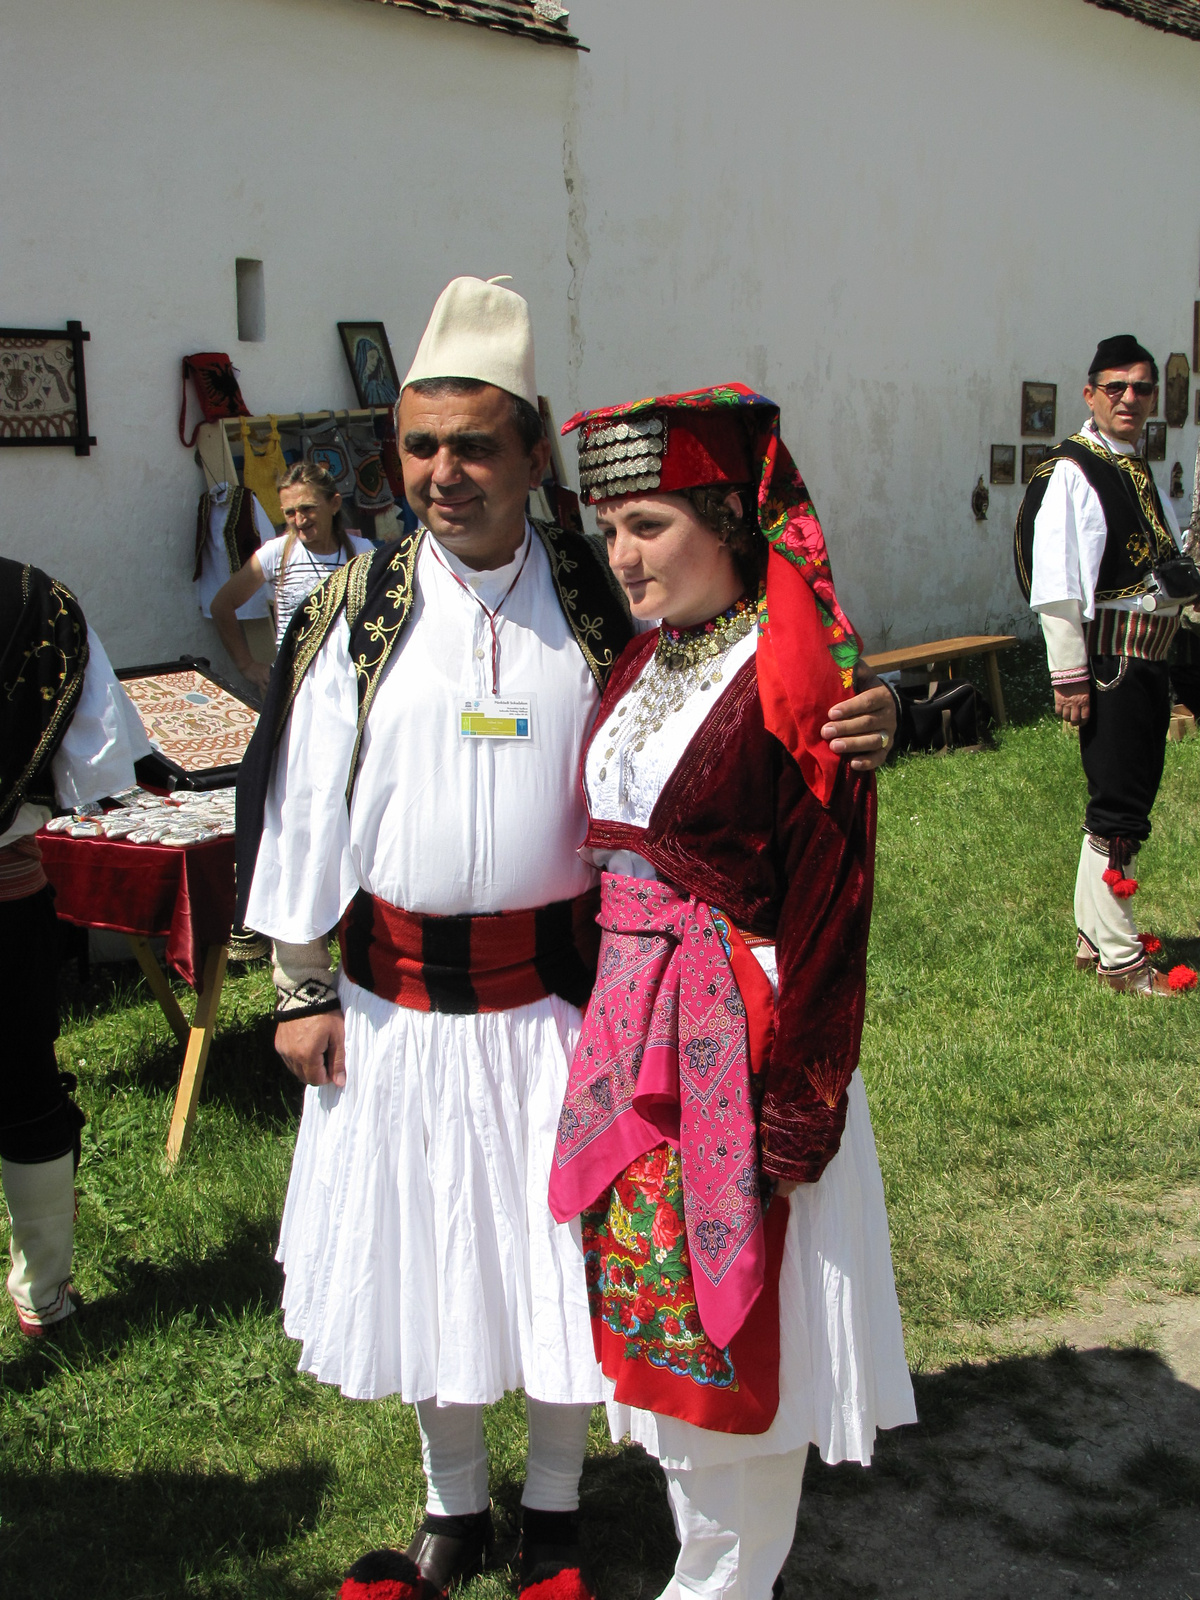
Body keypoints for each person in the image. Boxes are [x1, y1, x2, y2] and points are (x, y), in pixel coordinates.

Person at [234, 279, 898, 1600]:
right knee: (427, 1256)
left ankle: (552, 1510)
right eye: (420, 447)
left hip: (567, 1000)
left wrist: (864, 699)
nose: (443, 473)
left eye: (475, 444)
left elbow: (754, 662)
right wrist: (299, 978)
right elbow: (304, 793)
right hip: (393, 1001)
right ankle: (449, 1506)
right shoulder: (354, 612)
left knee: (546, 1267)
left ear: (533, 451)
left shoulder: (606, 602)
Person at [546, 385, 916, 1600]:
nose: (624, 554)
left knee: (737, 1336)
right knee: (662, 1316)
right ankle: (703, 1566)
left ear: (729, 521)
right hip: (633, 1030)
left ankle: (726, 1584)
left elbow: (832, 898)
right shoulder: (650, 658)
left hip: (739, 1045)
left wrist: (798, 1097)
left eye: (648, 523)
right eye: (611, 529)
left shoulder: (799, 672)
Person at [1015, 334, 1199, 996]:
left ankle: (1094, 941)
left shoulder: (1136, 466)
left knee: (1122, 807)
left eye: (1141, 387)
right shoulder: (1075, 469)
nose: (1129, 397)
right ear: (1090, 393)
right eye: (1115, 386)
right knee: (1118, 811)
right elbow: (1059, 583)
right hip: (1114, 661)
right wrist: (1069, 677)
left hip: (1150, 656)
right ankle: (1123, 960)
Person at [0, 558, 150, 1334]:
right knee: (22, 1089)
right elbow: (99, 765)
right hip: (5, 898)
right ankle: (43, 1291)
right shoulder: (35, 601)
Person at [210, 462, 372, 693]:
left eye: (308, 508)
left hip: (350, 684)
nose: (299, 519)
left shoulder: (361, 553)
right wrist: (247, 665)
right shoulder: (276, 553)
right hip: (294, 686)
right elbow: (222, 605)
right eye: (290, 512)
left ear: (334, 504)